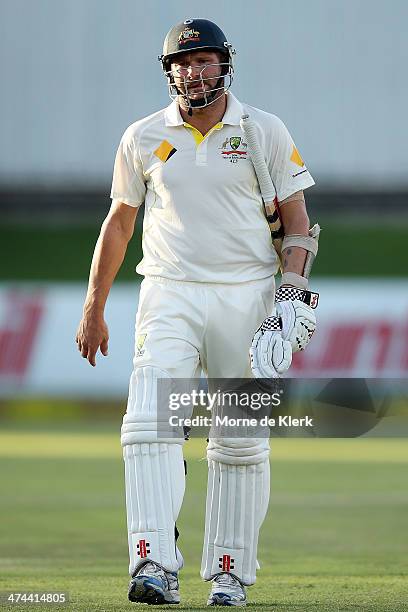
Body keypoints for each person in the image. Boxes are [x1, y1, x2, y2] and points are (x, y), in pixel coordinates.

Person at [76, 18, 319, 607]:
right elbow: (121, 221)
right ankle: (153, 563)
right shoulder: (143, 136)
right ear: (169, 72)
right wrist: (94, 304)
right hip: (169, 291)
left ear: (224, 66)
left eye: (205, 60)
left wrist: (292, 296)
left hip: (247, 293)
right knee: (147, 425)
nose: (194, 71)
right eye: (183, 62)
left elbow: (297, 224)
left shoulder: (262, 130)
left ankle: (229, 572)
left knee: (239, 440)